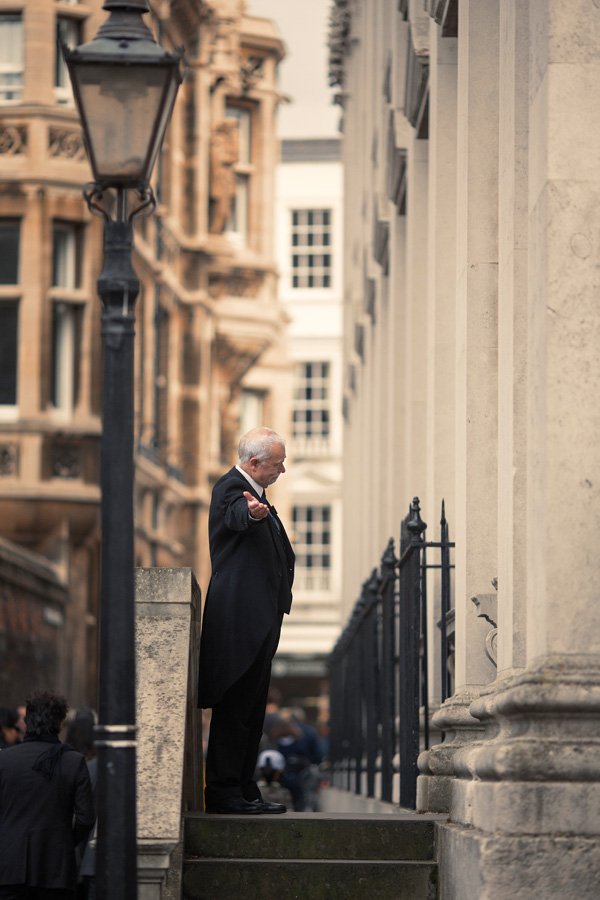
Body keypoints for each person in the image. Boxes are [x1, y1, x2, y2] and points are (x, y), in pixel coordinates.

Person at [198, 427, 295, 814]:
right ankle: (223, 793)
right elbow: (236, 516)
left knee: (252, 712)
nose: (282, 470)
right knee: (235, 710)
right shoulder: (230, 489)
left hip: (258, 623)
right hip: (239, 624)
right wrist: (252, 514)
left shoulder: (258, 493)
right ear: (254, 463)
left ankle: (243, 788)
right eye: (277, 463)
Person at [0, 691, 95, 900]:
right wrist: (66, 840)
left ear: (26, 721)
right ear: (60, 723)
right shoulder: (73, 762)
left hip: (8, 866)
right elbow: (86, 818)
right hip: (55, 868)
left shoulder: (4, 760)